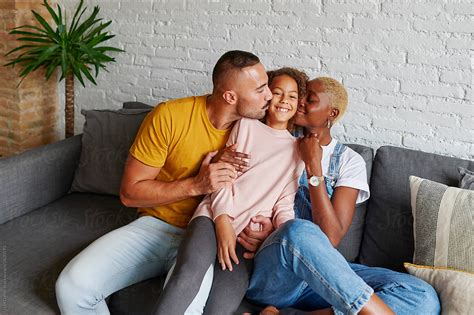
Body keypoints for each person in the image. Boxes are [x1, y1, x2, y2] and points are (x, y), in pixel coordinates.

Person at [54, 50, 274, 314]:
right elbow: (130, 193)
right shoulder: (170, 116)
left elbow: (277, 193)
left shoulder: (266, 133)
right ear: (230, 96)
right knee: (71, 286)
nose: (270, 96)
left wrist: (269, 228)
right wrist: (197, 184)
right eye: (261, 89)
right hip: (155, 227)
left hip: (208, 240)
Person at [246, 77, 440, 315]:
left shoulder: (348, 161)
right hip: (278, 273)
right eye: (301, 96)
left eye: (311, 99)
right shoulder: (273, 137)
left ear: (332, 113)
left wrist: (313, 165)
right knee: (297, 231)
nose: (300, 103)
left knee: (421, 296)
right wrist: (274, 234)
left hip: (323, 276)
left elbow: (330, 237)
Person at [154, 68, 309, 315]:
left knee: (222, 305)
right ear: (267, 96)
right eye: (277, 93)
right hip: (212, 216)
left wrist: (281, 236)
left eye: (291, 96)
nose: (283, 101)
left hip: (248, 236)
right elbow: (222, 176)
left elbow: (284, 203)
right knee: (186, 275)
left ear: (298, 103)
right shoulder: (245, 126)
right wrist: (223, 221)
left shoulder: (298, 150)